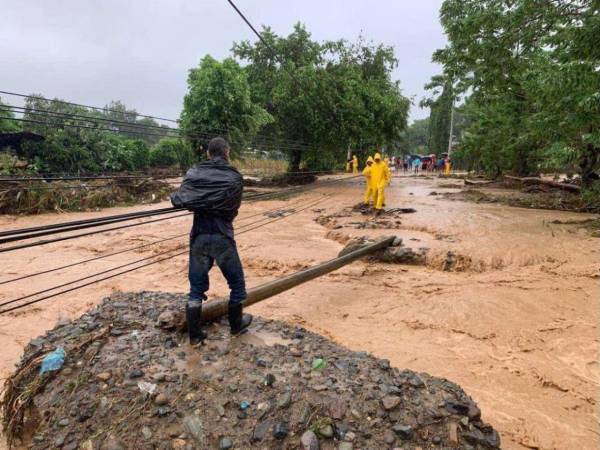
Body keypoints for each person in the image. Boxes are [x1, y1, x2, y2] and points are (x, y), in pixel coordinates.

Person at [180, 137, 252, 345]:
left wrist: (203, 202)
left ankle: (195, 337)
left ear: (208, 154)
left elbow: (182, 198)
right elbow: (233, 209)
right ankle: (236, 327)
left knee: (195, 290)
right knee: (237, 285)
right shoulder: (235, 177)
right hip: (223, 237)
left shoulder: (195, 173)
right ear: (227, 153)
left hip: (199, 237)